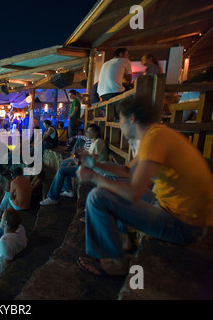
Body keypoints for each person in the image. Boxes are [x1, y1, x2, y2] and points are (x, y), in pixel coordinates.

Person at [76, 97, 212, 277]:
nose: (119, 123)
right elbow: (127, 171)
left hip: (185, 225)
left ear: (131, 119)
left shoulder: (154, 139)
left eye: (120, 119)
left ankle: (115, 264)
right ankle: (121, 239)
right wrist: (96, 165)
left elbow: (134, 193)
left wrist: (93, 177)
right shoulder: (157, 134)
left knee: (97, 197)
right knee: (110, 180)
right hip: (173, 209)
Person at [40, 123, 108, 205]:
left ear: (96, 132)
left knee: (62, 171)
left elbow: (92, 161)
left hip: (93, 170)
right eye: (87, 132)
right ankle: (68, 190)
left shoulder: (98, 143)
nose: (87, 134)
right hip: (88, 167)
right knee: (64, 164)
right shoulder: (92, 142)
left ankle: (52, 197)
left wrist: (76, 163)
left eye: (90, 132)